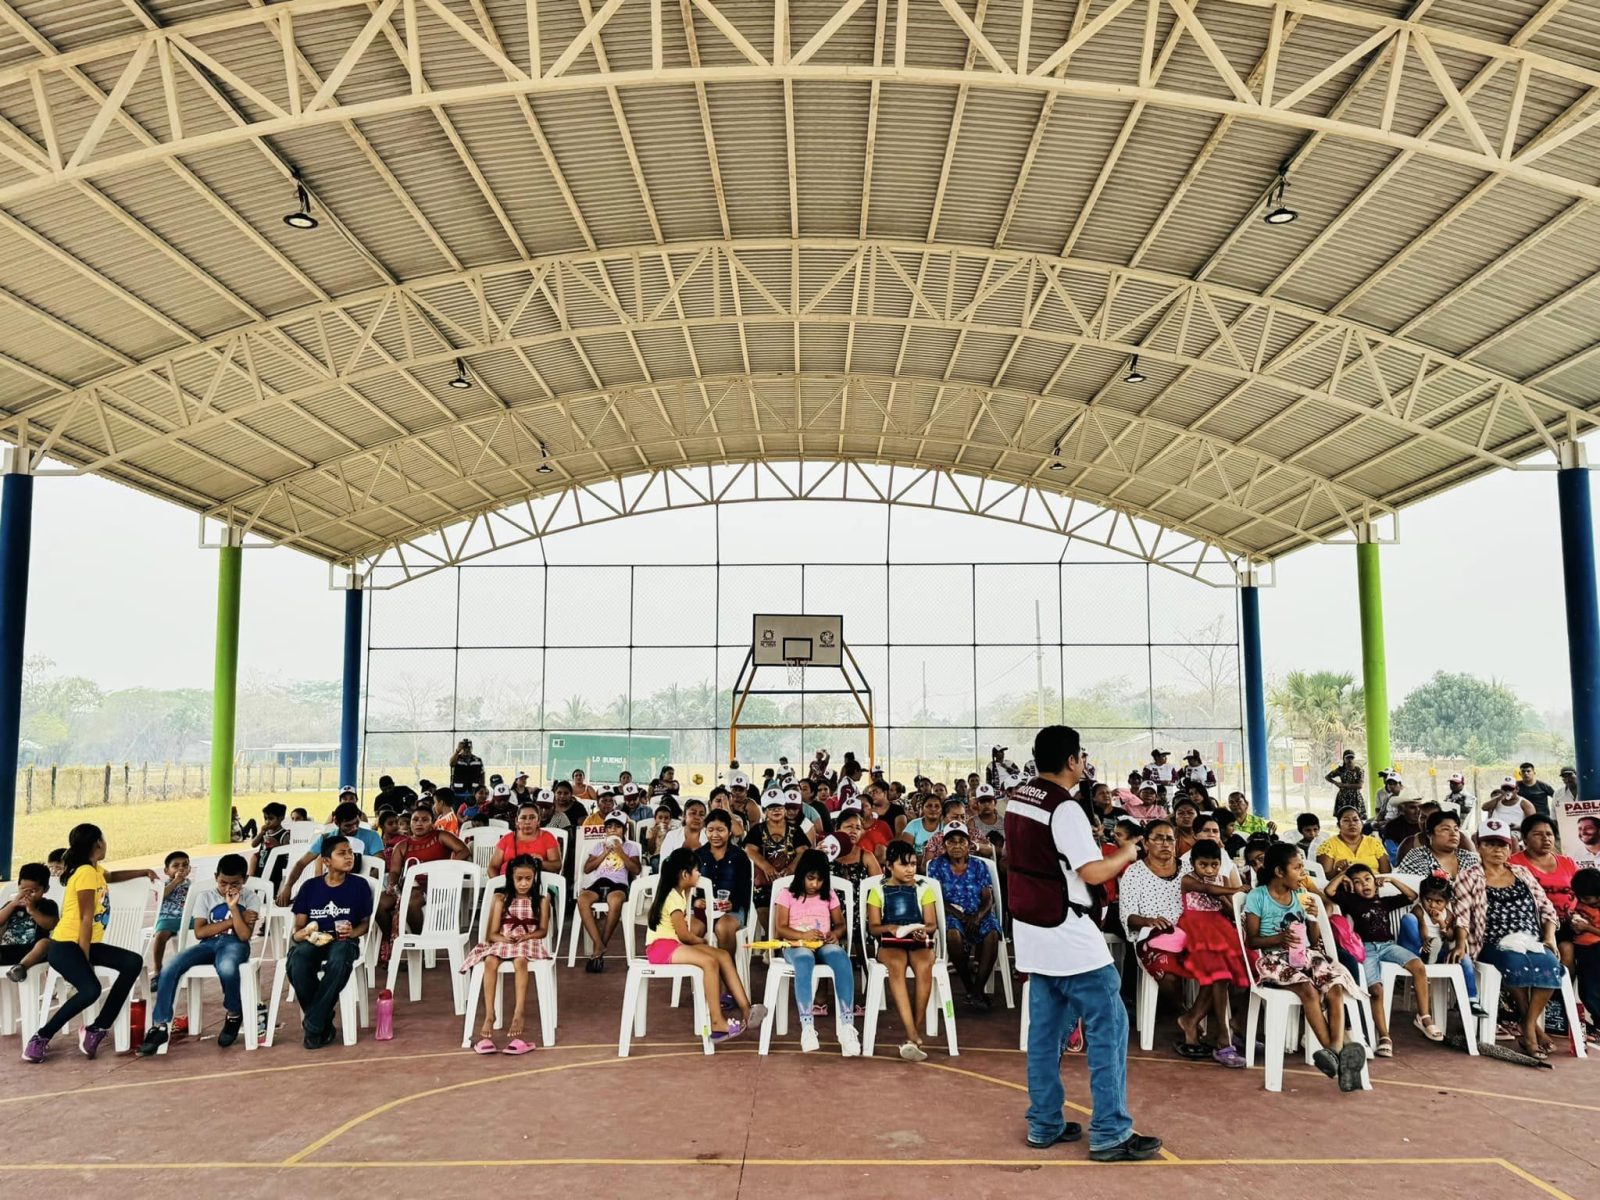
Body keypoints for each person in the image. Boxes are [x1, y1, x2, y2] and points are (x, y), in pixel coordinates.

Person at [1007, 725, 1159, 1161]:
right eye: (1082, 757)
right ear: (1072, 760)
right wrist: (1127, 853)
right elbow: (1091, 873)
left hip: (1032, 930)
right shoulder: (1064, 808)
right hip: (1069, 932)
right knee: (1109, 1026)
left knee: (1046, 1033)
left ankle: (1044, 1123)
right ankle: (1111, 1132)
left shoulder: (1020, 798)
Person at [22, 823, 157, 1063]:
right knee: (90, 989)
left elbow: (113, 876)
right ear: (97, 843)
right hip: (65, 945)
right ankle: (40, 1038)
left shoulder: (94, 869)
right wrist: (84, 958)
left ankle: (97, 1029)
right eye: (104, 839)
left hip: (87, 943)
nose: (106, 843)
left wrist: (143, 871)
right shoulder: (84, 873)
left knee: (132, 962)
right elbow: (85, 918)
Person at [1243, 843, 1365, 1090]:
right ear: (1279, 871)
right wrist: (1279, 939)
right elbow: (1251, 939)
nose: (1302, 874)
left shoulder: (1301, 896)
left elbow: (1313, 936)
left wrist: (1313, 916)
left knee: (1335, 986)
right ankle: (1340, 1057)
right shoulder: (1258, 897)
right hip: (1273, 958)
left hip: (1304, 954)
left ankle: (1334, 1051)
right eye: (1297, 868)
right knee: (1308, 990)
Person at [1453, 818, 1564, 1059]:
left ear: (1510, 848)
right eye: (1490, 844)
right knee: (1516, 965)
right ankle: (1532, 1031)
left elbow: (1547, 908)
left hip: (1531, 940)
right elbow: (1461, 914)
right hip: (1493, 942)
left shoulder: (1521, 872)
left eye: (1502, 845)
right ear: (1479, 846)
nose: (1497, 850)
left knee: (1552, 968)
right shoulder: (1470, 875)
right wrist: (1461, 945)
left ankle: (1528, 1024)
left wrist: (1550, 937)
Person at [139, 853, 259, 1056]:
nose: (228, 888)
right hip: (207, 944)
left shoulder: (251, 898)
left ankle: (233, 1013)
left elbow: (244, 934)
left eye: (235, 884)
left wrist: (234, 909)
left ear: (244, 881)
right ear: (215, 877)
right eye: (223, 882)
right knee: (171, 966)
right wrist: (232, 920)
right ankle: (160, 1025)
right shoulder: (206, 897)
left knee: (227, 967)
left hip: (234, 944)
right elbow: (200, 931)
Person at [646, 848, 766, 1044]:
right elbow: (684, 935)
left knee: (722, 955)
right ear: (685, 874)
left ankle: (747, 1010)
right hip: (662, 948)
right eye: (696, 870)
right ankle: (717, 1023)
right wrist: (700, 941)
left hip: (672, 944)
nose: (700, 874)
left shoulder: (681, 892)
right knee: (709, 962)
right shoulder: (673, 897)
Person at [1325, 863, 1442, 1056]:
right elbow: (1329, 890)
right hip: (1367, 949)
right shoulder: (1351, 901)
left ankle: (1424, 1016)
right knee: (1376, 990)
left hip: (1389, 946)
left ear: (1375, 882)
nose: (1364, 884)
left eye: (1368, 879)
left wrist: (1391, 879)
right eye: (1358, 882)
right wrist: (1344, 874)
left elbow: (1412, 896)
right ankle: (1384, 1036)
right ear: (1351, 886)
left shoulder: (1384, 902)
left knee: (1418, 966)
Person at [287, 835, 372, 1049]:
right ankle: (321, 1020)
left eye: (350, 852)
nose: (348, 857)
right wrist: (306, 932)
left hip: (343, 940)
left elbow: (365, 924)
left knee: (340, 957)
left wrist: (352, 933)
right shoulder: (310, 887)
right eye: (342, 853)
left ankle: (314, 1024)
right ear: (326, 861)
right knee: (298, 959)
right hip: (314, 939)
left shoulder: (359, 885)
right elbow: (298, 928)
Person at [772, 848, 860, 1055]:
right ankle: (807, 1026)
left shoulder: (828, 895)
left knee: (841, 958)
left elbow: (840, 924)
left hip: (823, 943)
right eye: (810, 878)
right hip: (796, 945)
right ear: (801, 874)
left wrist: (835, 934)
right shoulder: (787, 895)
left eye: (820, 880)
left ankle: (847, 1025)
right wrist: (802, 938)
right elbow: (781, 928)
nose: (814, 884)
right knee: (804, 960)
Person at [462, 854, 550, 1055]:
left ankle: (519, 1012)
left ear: (535, 877)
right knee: (490, 961)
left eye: (528, 879)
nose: (523, 883)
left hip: (527, 942)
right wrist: (504, 939)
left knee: (520, 961)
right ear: (510, 877)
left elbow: (543, 930)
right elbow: (491, 934)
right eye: (519, 879)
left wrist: (527, 937)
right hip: (504, 940)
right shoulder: (500, 899)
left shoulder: (542, 900)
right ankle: (489, 1014)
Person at [1175, 839, 1248, 1067]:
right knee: (1218, 976)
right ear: (1193, 863)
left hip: (1221, 930)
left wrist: (1233, 901)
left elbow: (1227, 907)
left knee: (1241, 972)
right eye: (1203, 864)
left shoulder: (1222, 879)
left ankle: (1215, 1023)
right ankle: (1223, 1038)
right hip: (1199, 931)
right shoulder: (1188, 879)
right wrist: (1236, 889)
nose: (1209, 870)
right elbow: (1206, 889)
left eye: (1214, 865)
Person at [865, 841, 939, 1062]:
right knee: (896, 967)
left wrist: (921, 931)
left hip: (917, 940)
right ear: (889, 866)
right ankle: (913, 1034)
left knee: (925, 965)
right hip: (890, 942)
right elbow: (873, 926)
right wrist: (891, 928)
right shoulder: (878, 890)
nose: (910, 870)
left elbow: (931, 924)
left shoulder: (924, 888)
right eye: (904, 865)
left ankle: (912, 1035)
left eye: (914, 864)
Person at [926, 822, 1001, 1010]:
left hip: (978, 913)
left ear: (969, 844)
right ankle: (971, 987)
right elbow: (936, 898)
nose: (957, 845)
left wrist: (977, 916)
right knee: (953, 935)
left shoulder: (979, 865)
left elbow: (987, 896)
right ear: (944, 845)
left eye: (961, 841)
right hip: (950, 914)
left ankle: (976, 990)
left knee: (992, 932)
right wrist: (960, 915)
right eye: (951, 842)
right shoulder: (936, 866)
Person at [377, 805, 469, 937]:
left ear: (432, 823)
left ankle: (419, 941)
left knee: (412, 902)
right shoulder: (402, 846)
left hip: (435, 886)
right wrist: (392, 884)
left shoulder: (441, 836)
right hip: (408, 886)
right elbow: (395, 871)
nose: (419, 823)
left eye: (425, 820)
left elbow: (464, 851)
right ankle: (390, 939)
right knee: (377, 903)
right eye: (415, 820)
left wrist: (447, 869)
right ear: (410, 823)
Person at [1401, 875, 1481, 1015]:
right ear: (1421, 898)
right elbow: (1422, 927)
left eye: (1438, 902)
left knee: (1465, 959)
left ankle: (1472, 999)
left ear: (1446, 902)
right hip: (1415, 949)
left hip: (1435, 953)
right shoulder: (1419, 909)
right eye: (1428, 900)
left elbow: (1450, 937)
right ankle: (1425, 953)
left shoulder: (1448, 915)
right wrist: (1426, 940)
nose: (1432, 905)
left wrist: (1441, 923)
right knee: (1408, 919)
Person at [277, 802, 383, 904]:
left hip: (360, 888)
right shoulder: (326, 838)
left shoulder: (372, 836)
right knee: (303, 899)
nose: (354, 828)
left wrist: (362, 885)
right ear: (336, 823)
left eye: (356, 823)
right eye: (348, 825)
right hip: (331, 886)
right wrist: (288, 886)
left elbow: (379, 867)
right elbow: (301, 863)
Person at [1510, 814, 1580, 969]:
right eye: (1538, 834)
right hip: (1533, 924)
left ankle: (1570, 993)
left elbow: (1583, 892)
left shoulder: (1567, 863)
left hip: (1569, 923)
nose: (1546, 838)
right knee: (1563, 951)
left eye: (1549, 834)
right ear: (1525, 839)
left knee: (1575, 949)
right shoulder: (1514, 864)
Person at [577, 811, 641, 972]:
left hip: (619, 883)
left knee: (616, 900)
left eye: (617, 827)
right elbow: (587, 868)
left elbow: (636, 869)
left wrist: (620, 852)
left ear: (624, 830)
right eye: (609, 827)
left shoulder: (631, 847)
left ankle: (599, 946)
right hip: (599, 882)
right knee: (583, 899)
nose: (613, 830)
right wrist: (604, 853)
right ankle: (599, 944)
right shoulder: (599, 846)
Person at [744, 791, 810, 926]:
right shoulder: (757, 830)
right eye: (771, 808)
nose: (776, 811)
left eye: (779, 807)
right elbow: (749, 850)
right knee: (763, 911)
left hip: (791, 883)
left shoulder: (795, 829)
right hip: (764, 884)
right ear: (765, 812)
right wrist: (765, 865)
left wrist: (792, 867)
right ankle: (772, 942)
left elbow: (803, 851)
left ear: (785, 810)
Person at [694, 810, 752, 948]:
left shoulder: (739, 856)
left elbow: (746, 889)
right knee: (692, 929)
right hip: (703, 909)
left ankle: (726, 968)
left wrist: (733, 903)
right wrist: (696, 901)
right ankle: (698, 967)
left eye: (720, 830)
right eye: (710, 830)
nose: (715, 835)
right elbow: (688, 886)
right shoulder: (698, 855)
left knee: (723, 927)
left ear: (729, 831)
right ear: (705, 831)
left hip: (732, 910)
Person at [0, 862, 57, 981]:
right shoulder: (12, 905)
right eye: (23, 890)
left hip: (32, 952)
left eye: (33, 891)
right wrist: (13, 904)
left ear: (45, 889)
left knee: (46, 943)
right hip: (6, 950)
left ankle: (20, 968)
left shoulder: (48, 905)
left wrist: (32, 911)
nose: (27, 894)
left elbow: (51, 924)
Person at [1397, 809, 1480, 879]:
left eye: (1456, 829)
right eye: (1445, 829)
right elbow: (1417, 889)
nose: (1453, 833)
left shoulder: (1468, 857)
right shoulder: (1417, 856)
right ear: (1430, 834)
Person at [489, 801, 562, 877]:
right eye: (523, 818)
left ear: (538, 820)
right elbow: (492, 867)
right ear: (516, 821)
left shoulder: (548, 837)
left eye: (532, 817)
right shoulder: (506, 839)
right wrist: (499, 885)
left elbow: (557, 866)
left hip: (540, 884)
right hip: (508, 884)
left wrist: (540, 863)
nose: (527, 822)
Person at [150, 850, 191, 982]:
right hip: (168, 917)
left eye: (185, 865)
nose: (181, 868)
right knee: (160, 936)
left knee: (202, 929)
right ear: (166, 871)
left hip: (187, 917)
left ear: (189, 869)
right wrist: (175, 882)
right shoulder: (164, 885)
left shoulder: (191, 884)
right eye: (176, 866)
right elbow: (161, 896)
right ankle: (158, 969)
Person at [1569, 868, 1600, 1040]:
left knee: (1592, 990)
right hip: (1582, 949)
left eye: (1588, 899)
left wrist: (1587, 927)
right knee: (1585, 990)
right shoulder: (1581, 902)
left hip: (1596, 950)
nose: (1583, 901)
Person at [1318, 806, 1390, 877]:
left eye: (1355, 820)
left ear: (1361, 823)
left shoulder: (1374, 843)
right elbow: (1324, 877)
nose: (1352, 823)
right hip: (1343, 886)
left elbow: (1386, 873)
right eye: (1346, 820)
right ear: (1339, 825)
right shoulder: (1328, 845)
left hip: (1374, 885)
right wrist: (1337, 871)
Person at [250, 802, 291, 879]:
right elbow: (253, 844)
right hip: (261, 866)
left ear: (281, 818)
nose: (267, 822)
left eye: (271, 818)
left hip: (275, 870)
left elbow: (287, 853)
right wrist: (261, 833)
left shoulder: (284, 834)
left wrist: (276, 844)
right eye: (265, 818)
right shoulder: (265, 832)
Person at [1325, 750, 1365, 816]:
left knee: (1356, 816)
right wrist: (1336, 783)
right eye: (1348, 758)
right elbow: (1327, 777)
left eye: (1352, 758)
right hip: (1343, 797)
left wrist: (1344, 785)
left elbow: (1360, 786)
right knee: (1342, 816)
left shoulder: (1358, 770)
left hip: (1355, 797)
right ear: (1344, 759)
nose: (1350, 760)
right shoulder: (1340, 770)